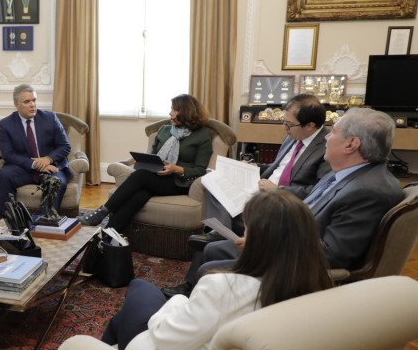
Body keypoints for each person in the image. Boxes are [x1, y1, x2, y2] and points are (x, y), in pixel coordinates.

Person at [99, 190, 332, 350]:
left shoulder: (224, 288)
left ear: (260, 239)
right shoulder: (316, 290)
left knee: (138, 288)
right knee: (138, 300)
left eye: (247, 227)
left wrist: (178, 302)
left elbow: (166, 339)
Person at [164, 107, 405, 298]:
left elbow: (332, 256)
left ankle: (201, 321)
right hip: (290, 243)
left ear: (351, 144)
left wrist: (264, 240)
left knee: (210, 269)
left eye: (333, 133)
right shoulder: (349, 173)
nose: (327, 137)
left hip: (295, 267)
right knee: (212, 249)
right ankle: (191, 298)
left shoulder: (367, 191)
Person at [190, 93, 331, 247]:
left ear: (310, 126)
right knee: (214, 180)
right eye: (284, 122)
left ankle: (220, 235)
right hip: (259, 187)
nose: (284, 128)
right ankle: (219, 233)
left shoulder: (328, 147)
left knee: (217, 235)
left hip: (280, 202)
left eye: (289, 124)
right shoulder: (292, 136)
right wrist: (253, 166)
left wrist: (279, 190)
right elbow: (278, 167)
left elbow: (321, 191)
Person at [80, 94, 212, 231]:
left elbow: (201, 169)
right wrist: (145, 161)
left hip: (179, 182)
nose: (170, 113)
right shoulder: (165, 130)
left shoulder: (202, 136)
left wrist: (177, 169)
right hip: (157, 177)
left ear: (185, 111)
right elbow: (154, 156)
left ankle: (101, 212)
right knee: (139, 196)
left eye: (174, 109)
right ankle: (107, 236)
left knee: (141, 176)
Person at [0, 84, 71, 218]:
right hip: (25, 168)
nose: (32, 105)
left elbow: (64, 146)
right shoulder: (5, 125)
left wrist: (48, 159)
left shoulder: (50, 118)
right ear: (16, 104)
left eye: (34, 100)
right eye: (27, 102)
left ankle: (46, 221)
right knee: (4, 174)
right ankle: (8, 220)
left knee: (56, 182)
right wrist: (36, 164)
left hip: (51, 167)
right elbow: (8, 155)